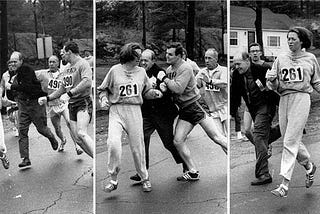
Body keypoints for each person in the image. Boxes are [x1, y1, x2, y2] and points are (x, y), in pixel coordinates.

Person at [97, 43, 164, 193]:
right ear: (128, 55)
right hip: (117, 110)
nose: (140, 59)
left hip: (134, 110)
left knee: (137, 147)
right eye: (137, 56)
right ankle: (113, 179)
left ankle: (144, 178)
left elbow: (146, 91)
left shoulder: (141, 72)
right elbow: (102, 90)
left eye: (141, 56)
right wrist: (103, 100)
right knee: (113, 143)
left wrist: (153, 93)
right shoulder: (115, 70)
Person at [157, 42, 227, 181]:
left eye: (170, 54)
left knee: (216, 137)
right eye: (166, 53)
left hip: (195, 106)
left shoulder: (185, 67)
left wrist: (164, 79)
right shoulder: (170, 69)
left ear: (178, 56)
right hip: (184, 109)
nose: (167, 56)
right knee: (177, 141)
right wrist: (163, 86)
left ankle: (231, 159)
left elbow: (178, 88)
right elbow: (171, 90)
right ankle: (193, 171)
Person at [266, 27, 319, 197]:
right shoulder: (281, 58)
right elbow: (272, 84)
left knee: (289, 140)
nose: (289, 41)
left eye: (293, 39)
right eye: (288, 38)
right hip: (284, 98)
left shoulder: (310, 58)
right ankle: (309, 166)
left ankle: (284, 185)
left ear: (302, 41)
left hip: (302, 98)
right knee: (289, 137)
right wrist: (272, 82)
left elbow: (316, 82)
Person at [129, 49, 188, 182]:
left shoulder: (160, 72)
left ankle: (187, 165)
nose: (143, 63)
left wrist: (161, 90)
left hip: (163, 113)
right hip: (147, 113)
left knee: (168, 142)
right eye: (141, 60)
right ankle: (142, 172)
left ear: (153, 61)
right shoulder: (137, 72)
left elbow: (169, 92)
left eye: (146, 60)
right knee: (142, 138)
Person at [232, 50, 281, 186]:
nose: (236, 67)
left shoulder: (261, 69)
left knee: (258, 135)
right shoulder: (237, 74)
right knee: (259, 137)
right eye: (234, 64)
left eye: (238, 64)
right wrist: (232, 112)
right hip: (252, 109)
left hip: (266, 106)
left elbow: (274, 87)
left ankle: (263, 174)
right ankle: (284, 127)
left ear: (247, 61)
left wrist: (283, 104)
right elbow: (234, 94)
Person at [38, 41, 94, 159]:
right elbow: (62, 89)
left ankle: (96, 163)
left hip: (83, 102)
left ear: (69, 52)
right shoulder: (67, 69)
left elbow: (87, 82)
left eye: (64, 53)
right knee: (77, 139)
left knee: (82, 133)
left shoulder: (83, 64)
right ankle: (94, 158)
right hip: (72, 105)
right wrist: (47, 98)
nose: (62, 55)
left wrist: (70, 93)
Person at [5, 51, 59, 168]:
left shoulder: (27, 70)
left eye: (15, 61)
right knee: (22, 131)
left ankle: (52, 138)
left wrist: (11, 86)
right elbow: (11, 93)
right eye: (11, 61)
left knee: (41, 129)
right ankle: (25, 158)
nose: (13, 64)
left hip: (35, 104)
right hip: (23, 104)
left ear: (21, 61)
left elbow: (27, 87)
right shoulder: (10, 73)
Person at [35, 55, 83, 155]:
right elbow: (30, 75)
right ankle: (63, 140)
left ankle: (77, 146)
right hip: (51, 106)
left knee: (70, 123)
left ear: (58, 63)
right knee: (57, 129)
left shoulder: (64, 74)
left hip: (63, 104)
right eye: (49, 62)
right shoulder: (43, 73)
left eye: (53, 62)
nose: (51, 64)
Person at [196, 48, 228, 136]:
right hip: (213, 110)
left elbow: (224, 84)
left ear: (216, 59)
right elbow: (195, 86)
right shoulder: (202, 72)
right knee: (220, 138)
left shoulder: (223, 70)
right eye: (205, 58)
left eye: (209, 58)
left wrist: (209, 81)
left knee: (228, 137)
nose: (207, 61)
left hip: (225, 107)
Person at [1, 60, 19, 137]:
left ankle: (19, 129)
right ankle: (15, 124)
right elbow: (2, 86)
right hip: (8, 98)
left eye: (12, 65)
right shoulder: (5, 75)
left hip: (17, 98)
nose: (11, 67)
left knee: (17, 115)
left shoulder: (19, 74)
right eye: (9, 66)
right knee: (11, 117)